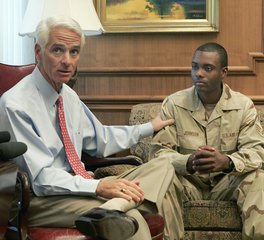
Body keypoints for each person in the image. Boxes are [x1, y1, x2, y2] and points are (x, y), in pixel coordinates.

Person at [0, 16, 178, 240]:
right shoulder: (16, 104)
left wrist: (148, 127)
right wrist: (98, 187)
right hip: (43, 200)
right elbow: (41, 179)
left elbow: (101, 138)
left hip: (80, 184)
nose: (67, 61)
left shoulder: (68, 95)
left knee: (166, 164)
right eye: (58, 50)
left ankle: (110, 209)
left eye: (74, 52)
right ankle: (116, 208)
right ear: (38, 51)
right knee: (135, 216)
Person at [148, 42, 264, 239]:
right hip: (188, 182)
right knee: (162, 178)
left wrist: (227, 162)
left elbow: (258, 152)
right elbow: (158, 154)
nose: (198, 73)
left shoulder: (243, 106)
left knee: (259, 178)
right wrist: (187, 162)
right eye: (195, 66)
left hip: (226, 183)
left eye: (207, 68)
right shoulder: (174, 104)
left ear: (223, 72)